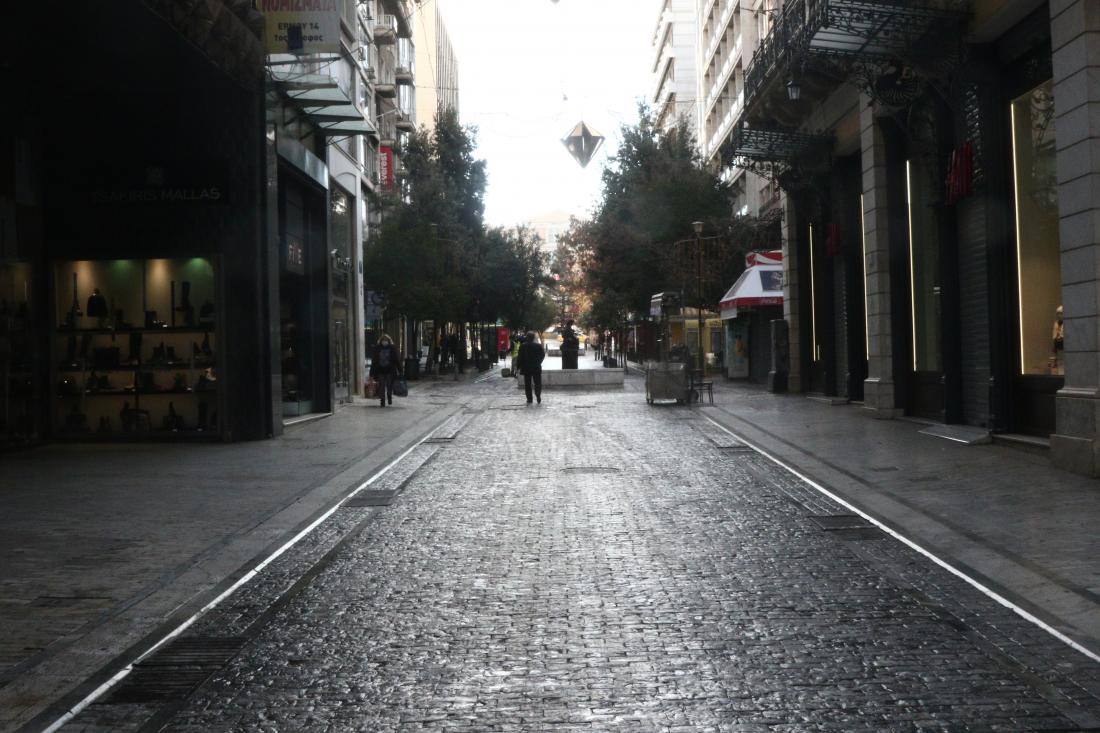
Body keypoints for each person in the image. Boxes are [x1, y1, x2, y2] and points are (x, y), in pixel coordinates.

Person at [370, 334, 402, 407]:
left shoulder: (392, 348)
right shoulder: (377, 349)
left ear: (389, 341)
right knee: (381, 386)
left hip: (390, 371)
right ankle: (382, 401)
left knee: (389, 385)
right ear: (381, 341)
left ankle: (389, 396)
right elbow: (374, 361)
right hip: (380, 371)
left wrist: (400, 370)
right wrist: (371, 373)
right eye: (383, 340)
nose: (384, 342)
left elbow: (396, 360)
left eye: (386, 340)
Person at [517, 330, 545, 404]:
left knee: (527, 384)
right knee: (537, 383)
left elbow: (520, 357)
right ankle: (538, 395)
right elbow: (542, 355)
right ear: (533, 338)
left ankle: (529, 399)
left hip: (526, 368)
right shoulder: (538, 346)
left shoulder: (523, 346)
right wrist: (539, 362)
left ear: (527, 337)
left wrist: (518, 366)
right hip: (536, 367)